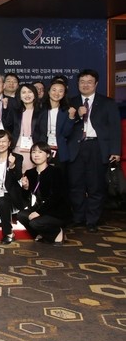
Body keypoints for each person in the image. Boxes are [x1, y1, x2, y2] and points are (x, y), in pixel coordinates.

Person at [67, 69, 121, 232]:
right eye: (82, 82)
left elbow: (115, 128)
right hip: (76, 148)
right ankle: (78, 218)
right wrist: (77, 116)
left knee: (96, 186)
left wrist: (115, 150)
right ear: (78, 83)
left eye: (89, 82)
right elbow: (64, 128)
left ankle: (92, 220)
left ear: (96, 84)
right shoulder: (70, 102)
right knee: (76, 185)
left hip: (97, 147)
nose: (85, 85)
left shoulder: (107, 103)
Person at [18, 142, 71, 245]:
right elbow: (25, 197)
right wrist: (25, 188)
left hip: (55, 211)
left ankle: (58, 232)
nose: (36, 155)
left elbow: (56, 196)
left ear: (47, 155)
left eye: (40, 152)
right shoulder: (29, 173)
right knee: (21, 215)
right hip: (38, 208)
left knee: (35, 222)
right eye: (33, 152)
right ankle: (41, 234)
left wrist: (39, 213)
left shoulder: (56, 171)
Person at [0, 129, 24, 244]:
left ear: (9, 143)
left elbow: (18, 177)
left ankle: (8, 233)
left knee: (2, 201)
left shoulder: (17, 157)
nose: (1, 144)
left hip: (10, 196)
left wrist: (12, 166)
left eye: (4, 141)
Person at [36, 78, 74, 172]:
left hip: (59, 148)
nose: (57, 93)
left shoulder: (66, 110)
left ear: (64, 94)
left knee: (58, 176)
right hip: (42, 146)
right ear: (48, 92)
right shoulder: (40, 108)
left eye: (60, 91)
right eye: (54, 90)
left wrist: (71, 118)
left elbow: (66, 133)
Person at [11, 83, 42, 172]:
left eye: (30, 92)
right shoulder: (15, 112)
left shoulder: (41, 111)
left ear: (35, 95)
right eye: (23, 92)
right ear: (19, 96)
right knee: (18, 173)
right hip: (18, 148)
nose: (27, 95)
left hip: (35, 149)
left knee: (32, 175)